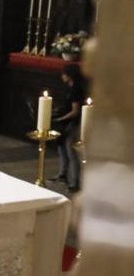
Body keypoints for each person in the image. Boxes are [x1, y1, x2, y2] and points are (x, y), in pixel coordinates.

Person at [54, 62, 87, 191]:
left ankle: (74, 182)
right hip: (66, 123)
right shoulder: (70, 87)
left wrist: (60, 119)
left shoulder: (76, 90)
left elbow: (75, 111)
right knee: (61, 149)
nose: (62, 76)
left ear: (70, 76)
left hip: (72, 124)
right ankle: (62, 174)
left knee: (71, 152)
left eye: (64, 74)